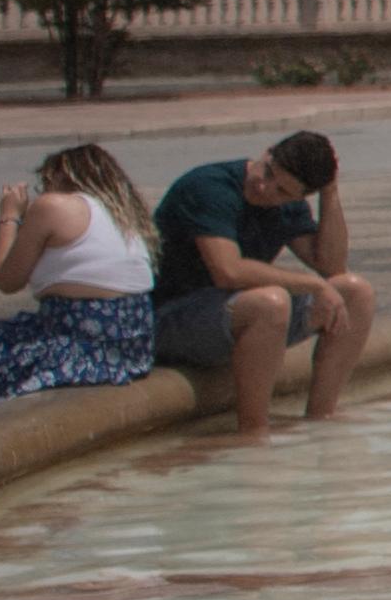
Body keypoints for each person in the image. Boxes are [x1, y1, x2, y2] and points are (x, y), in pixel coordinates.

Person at [149, 131, 376, 440]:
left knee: (355, 292)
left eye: (282, 191)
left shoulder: (287, 204)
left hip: (231, 315)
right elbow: (228, 271)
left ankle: (322, 417)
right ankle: (254, 433)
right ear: (267, 152)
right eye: (268, 171)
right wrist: (312, 285)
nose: (265, 187)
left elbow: (331, 265)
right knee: (271, 302)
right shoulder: (209, 187)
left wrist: (330, 193)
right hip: (169, 317)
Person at [0, 143, 160, 423]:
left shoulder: (54, 206)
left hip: (75, 350)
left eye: (45, 182)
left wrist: (10, 215)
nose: (43, 190)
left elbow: (7, 279)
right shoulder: (125, 214)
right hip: (129, 350)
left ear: (61, 177)